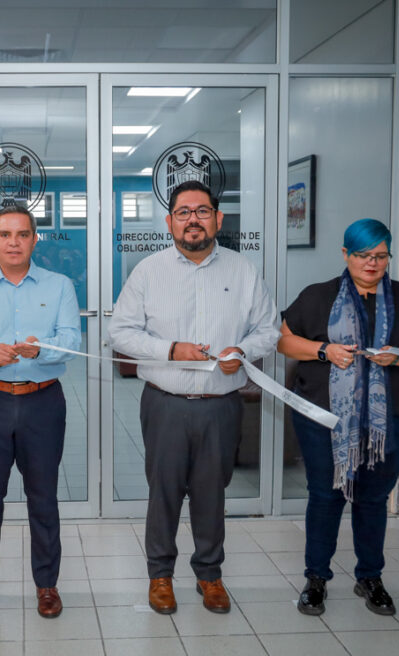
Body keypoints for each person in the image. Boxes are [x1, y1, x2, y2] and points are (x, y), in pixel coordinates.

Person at [107, 180, 280, 615]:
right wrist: (170, 350)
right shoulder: (148, 271)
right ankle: (160, 575)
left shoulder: (243, 271)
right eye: (183, 212)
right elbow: (120, 333)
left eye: (202, 211)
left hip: (221, 404)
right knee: (163, 490)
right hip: (165, 402)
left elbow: (269, 331)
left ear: (218, 219)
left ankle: (209, 574)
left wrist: (242, 352)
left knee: (211, 493)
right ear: (169, 222)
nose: (193, 221)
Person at [278, 219, 399, 616]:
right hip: (325, 420)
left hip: (393, 420)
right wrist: (323, 350)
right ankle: (316, 579)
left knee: (372, 499)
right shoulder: (317, 296)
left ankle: (370, 576)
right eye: (363, 255)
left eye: (380, 255)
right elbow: (283, 340)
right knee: (325, 496)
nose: (372, 263)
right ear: (345, 255)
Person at [0, 203, 81, 621]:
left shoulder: (60, 286)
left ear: (34, 239)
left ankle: (47, 585)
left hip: (43, 402)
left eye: (22, 234)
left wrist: (42, 349)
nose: (13, 242)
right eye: (5, 235)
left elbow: (71, 340)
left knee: (43, 498)